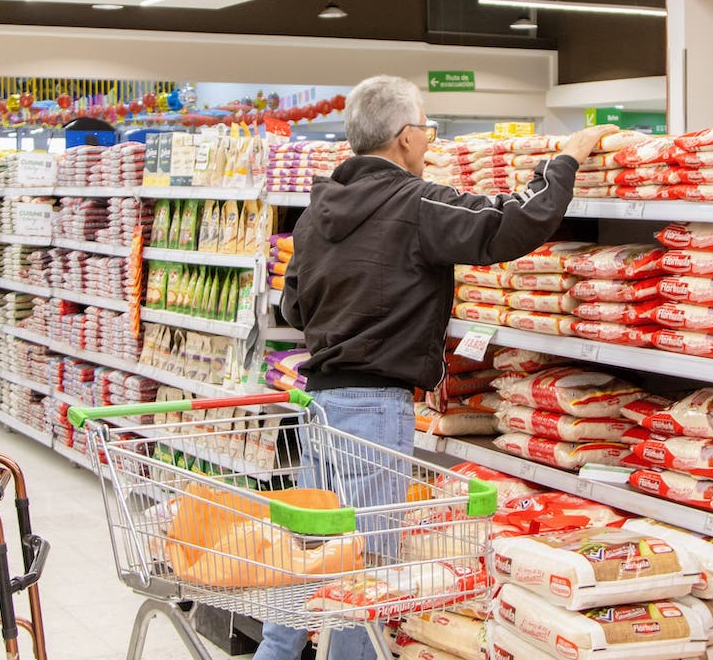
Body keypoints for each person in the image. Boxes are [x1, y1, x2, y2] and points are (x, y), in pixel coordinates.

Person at [256, 75, 618, 660]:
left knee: (311, 546)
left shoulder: (318, 208)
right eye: (425, 128)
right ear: (403, 138)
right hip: (376, 407)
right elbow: (509, 224)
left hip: (318, 403)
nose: (427, 140)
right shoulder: (415, 202)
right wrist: (564, 162)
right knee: (366, 569)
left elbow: (292, 305)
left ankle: (274, 653)